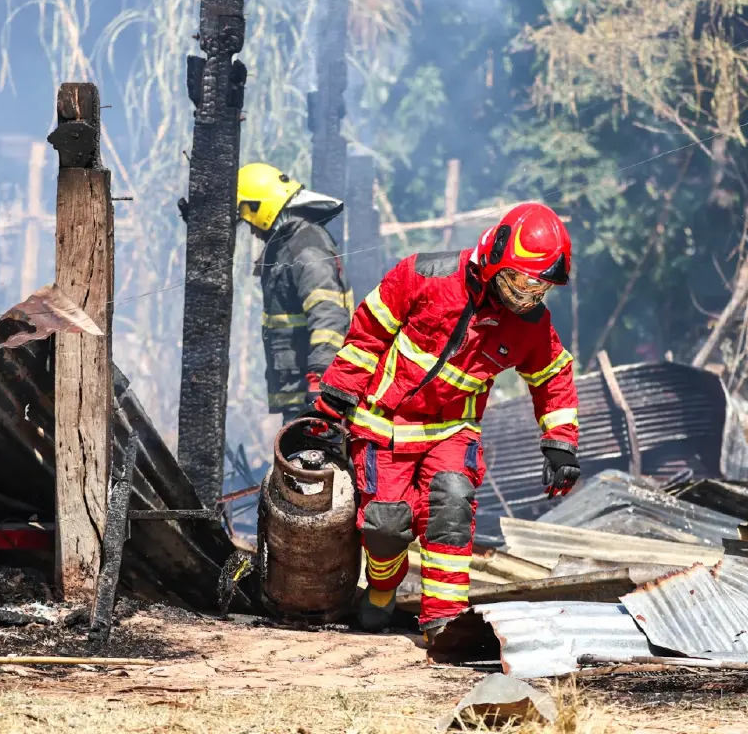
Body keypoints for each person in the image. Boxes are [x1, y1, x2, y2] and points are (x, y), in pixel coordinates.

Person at [307, 202, 581, 641]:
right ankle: (381, 590)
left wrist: (560, 443)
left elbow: (553, 376)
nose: (528, 297)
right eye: (523, 282)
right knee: (385, 526)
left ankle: (445, 624)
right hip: (383, 425)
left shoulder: (529, 324)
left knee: (451, 510)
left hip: (453, 432)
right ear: (495, 258)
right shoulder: (422, 275)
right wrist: (334, 400)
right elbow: (366, 336)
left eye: (540, 289)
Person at [235, 162, 354, 418]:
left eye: (249, 220)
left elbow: (329, 316)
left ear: (259, 209)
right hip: (299, 393)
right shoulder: (288, 245)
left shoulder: (306, 248)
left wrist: (320, 376)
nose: (253, 231)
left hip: (311, 393)